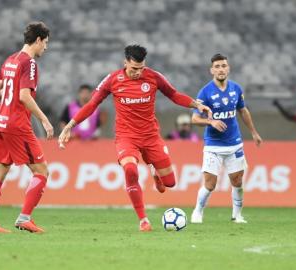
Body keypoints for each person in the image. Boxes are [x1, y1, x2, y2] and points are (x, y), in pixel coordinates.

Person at [59, 44, 212, 232]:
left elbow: (173, 94)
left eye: (141, 69)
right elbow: (92, 104)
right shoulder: (113, 79)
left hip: (151, 137)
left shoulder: (154, 77)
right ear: (125, 63)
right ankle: (143, 220)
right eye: (133, 69)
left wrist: (196, 105)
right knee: (130, 170)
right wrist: (70, 125)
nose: (137, 73)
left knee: (169, 183)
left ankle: (155, 172)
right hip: (126, 137)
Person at [0, 22, 53, 233]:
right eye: (45, 43)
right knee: (41, 171)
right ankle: (24, 218)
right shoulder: (29, 63)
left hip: (0, 121)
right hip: (16, 124)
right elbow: (24, 96)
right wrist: (44, 119)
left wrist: (9, 98)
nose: (46, 48)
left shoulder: (10, 59)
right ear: (37, 40)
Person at [190, 53, 262, 224]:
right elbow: (194, 119)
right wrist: (211, 122)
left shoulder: (236, 89)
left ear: (228, 68)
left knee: (237, 181)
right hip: (213, 145)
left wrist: (253, 132)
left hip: (234, 144)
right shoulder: (205, 92)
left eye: (223, 66)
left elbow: (243, 111)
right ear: (211, 70)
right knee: (210, 185)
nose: (221, 69)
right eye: (217, 67)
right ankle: (198, 211)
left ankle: (237, 215)